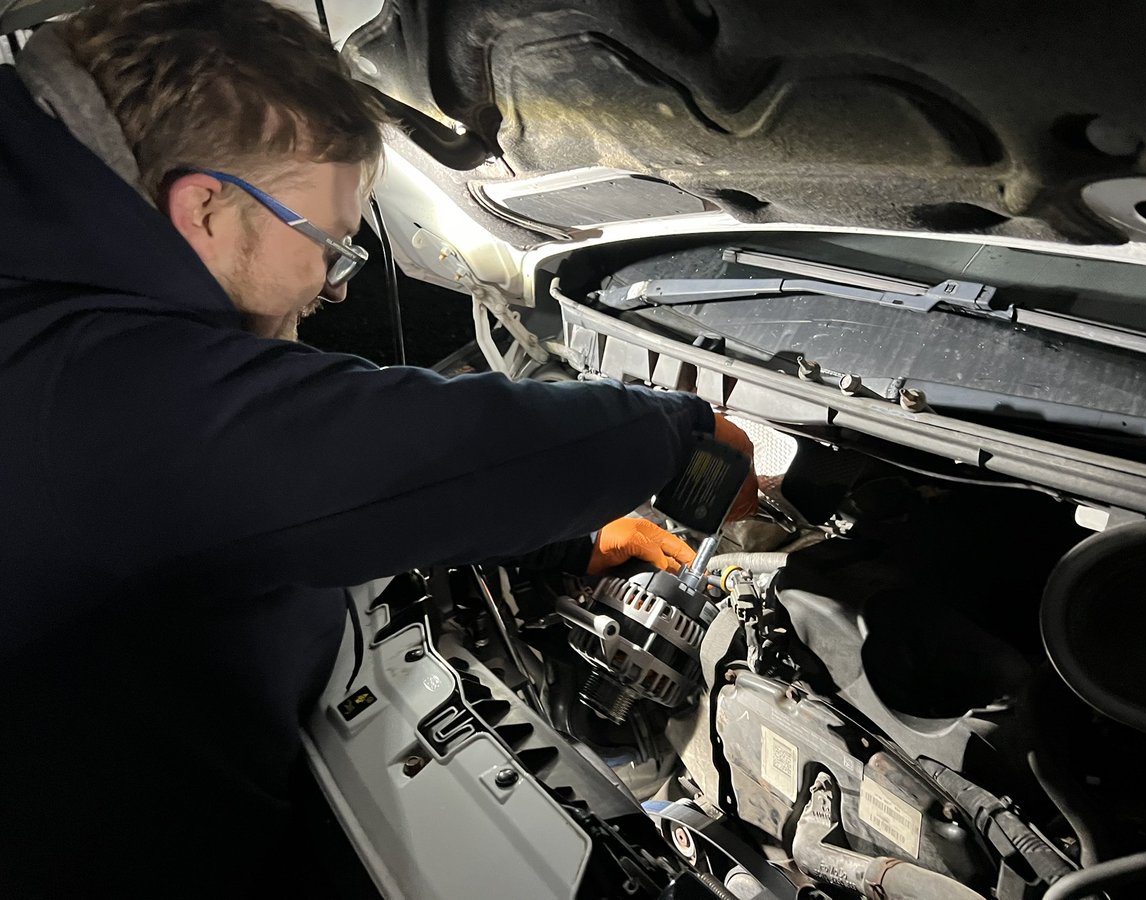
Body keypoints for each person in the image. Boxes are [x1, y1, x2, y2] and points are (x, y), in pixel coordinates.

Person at [0, 0, 758, 895]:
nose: (328, 285)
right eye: (330, 246)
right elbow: (391, 451)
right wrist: (681, 440)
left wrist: (567, 542)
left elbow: (276, 504)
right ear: (205, 208)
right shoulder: (83, 386)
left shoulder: (50, 294)